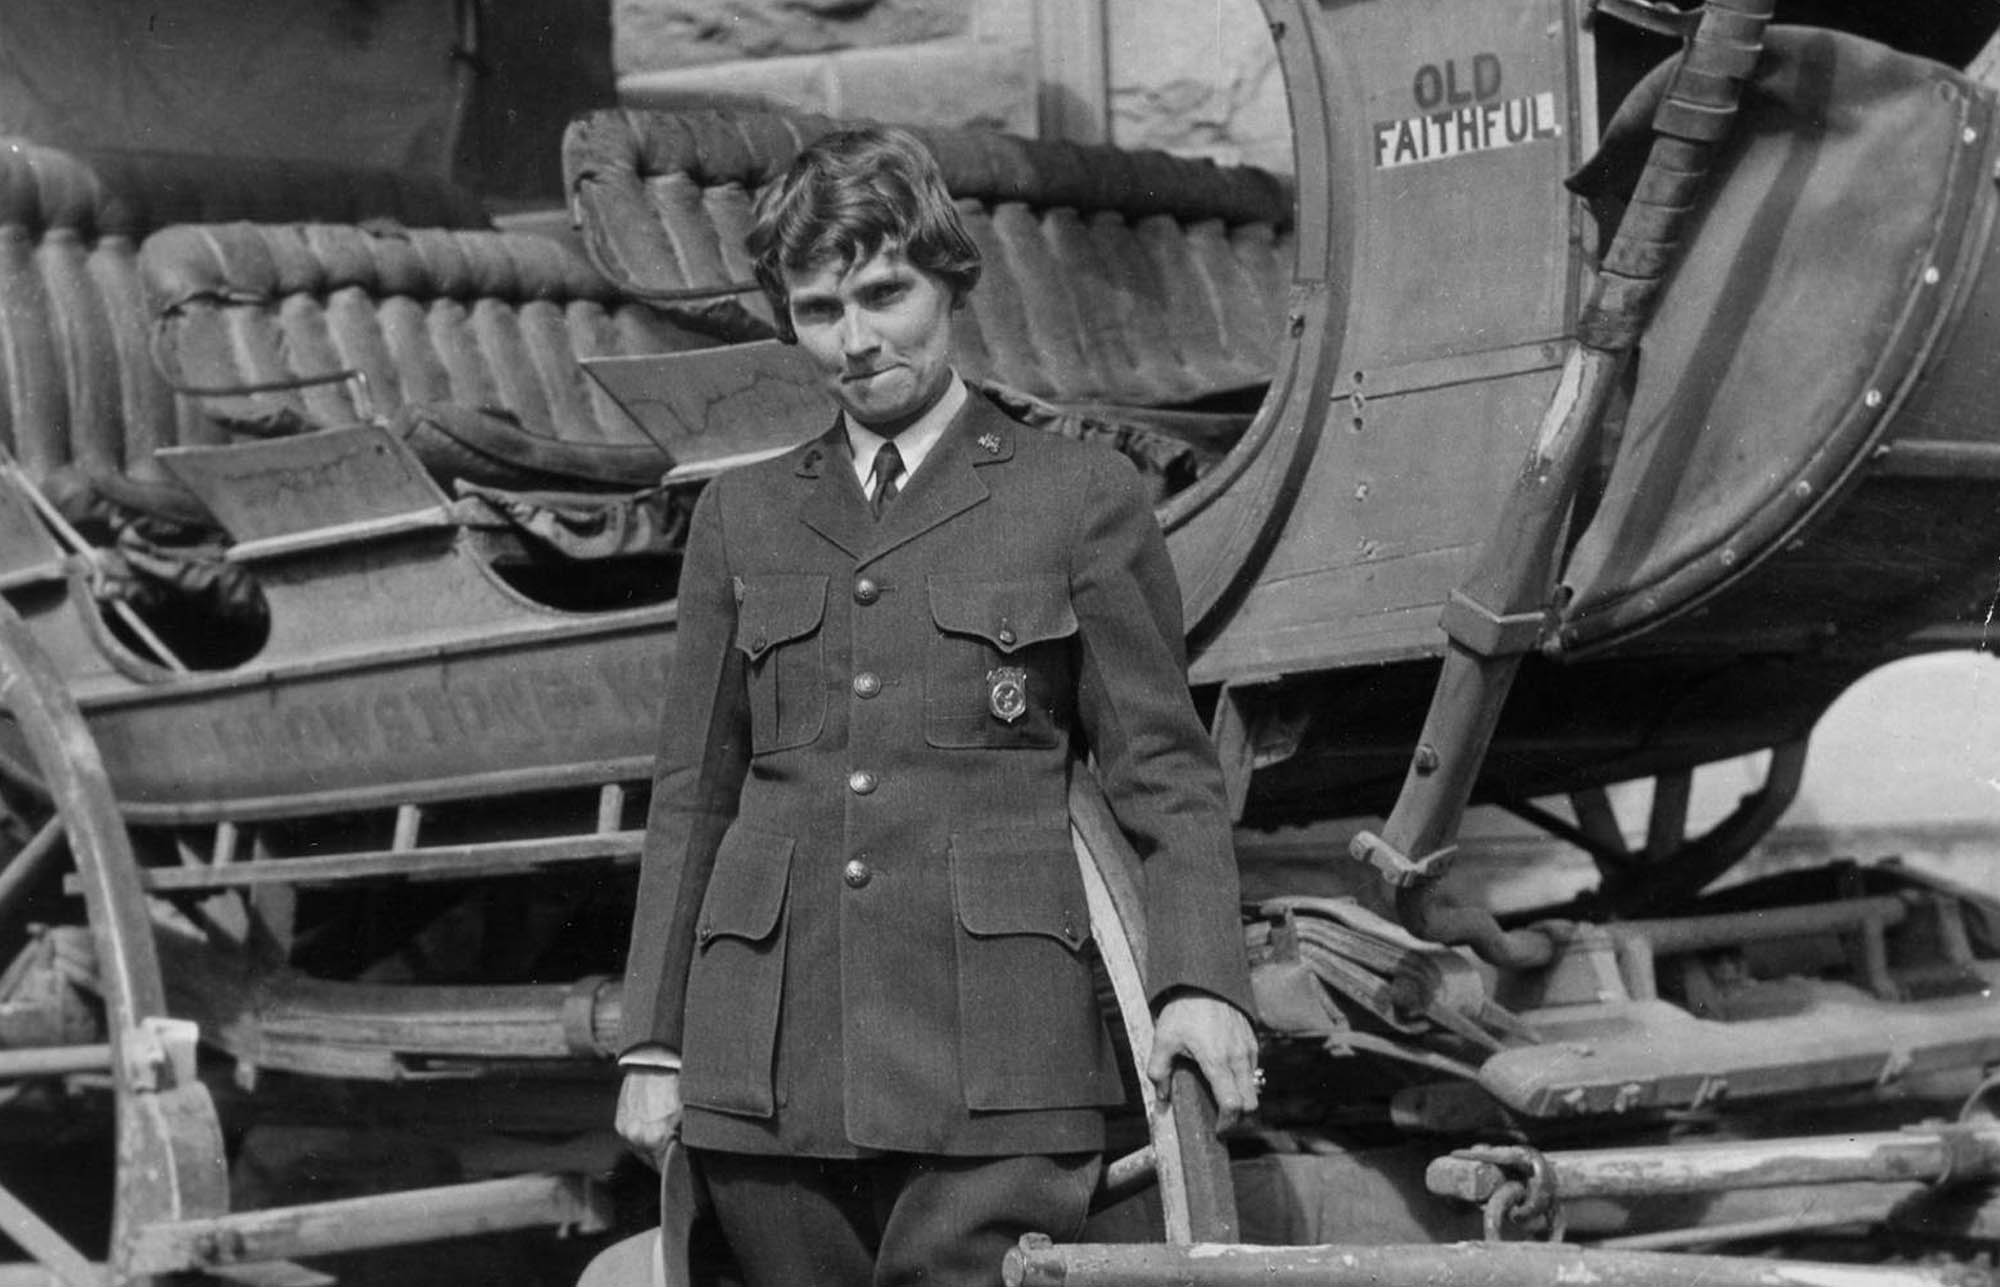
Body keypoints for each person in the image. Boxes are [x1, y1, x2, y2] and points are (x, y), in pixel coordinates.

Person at [615, 123, 1259, 1286]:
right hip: (767, 1068)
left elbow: (1163, 770)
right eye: (819, 310)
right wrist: (655, 1042)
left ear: (947, 281)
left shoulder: (1076, 499)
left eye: (882, 294)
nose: (856, 342)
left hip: (996, 1065)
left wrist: (1199, 982)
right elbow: (693, 796)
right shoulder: (741, 519)